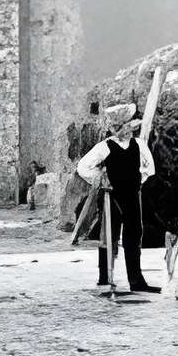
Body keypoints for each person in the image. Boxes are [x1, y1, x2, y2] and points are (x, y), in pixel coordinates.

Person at [72, 98, 159, 294]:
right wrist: (101, 178)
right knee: (108, 235)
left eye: (127, 127)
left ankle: (136, 281)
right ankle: (105, 277)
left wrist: (139, 179)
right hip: (111, 196)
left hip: (132, 195)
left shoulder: (139, 144)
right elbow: (83, 167)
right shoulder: (105, 146)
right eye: (121, 128)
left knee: (134, 235)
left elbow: (150, 169)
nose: (125, 131)